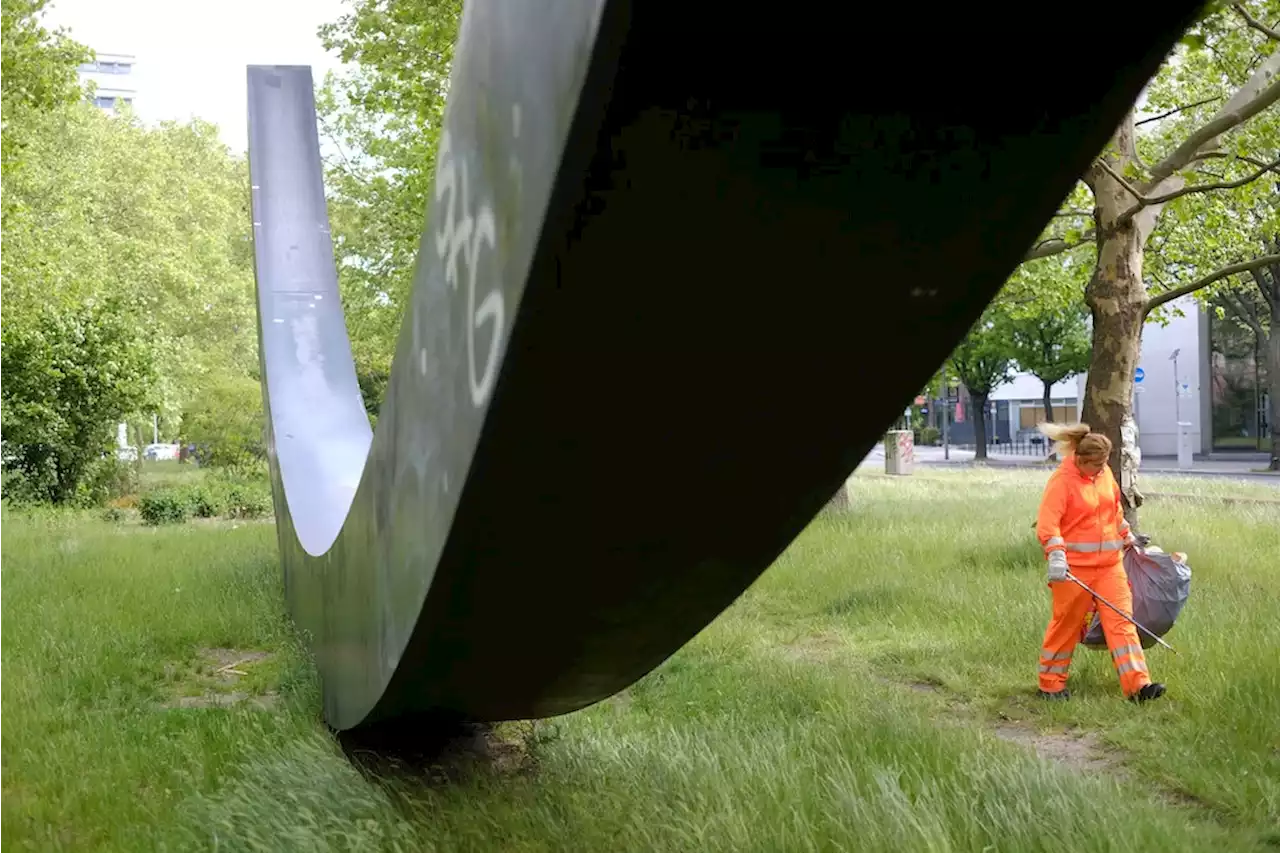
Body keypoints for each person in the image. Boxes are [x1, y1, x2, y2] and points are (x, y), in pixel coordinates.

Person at [1034, 422, 1166, 703]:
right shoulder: (1061, 482)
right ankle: (1050, 685)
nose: (1101, 469)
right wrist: (1056, 554)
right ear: (1079, 460)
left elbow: (1113, 511)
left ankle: (1138, 686)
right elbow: (1048, 524)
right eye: (1096, 465)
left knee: (1123, 623)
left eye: (1105, 464)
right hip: (1073, 572)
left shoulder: (1104, 474)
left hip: (1109, 566)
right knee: (1066, 625)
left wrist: (1128, 536)